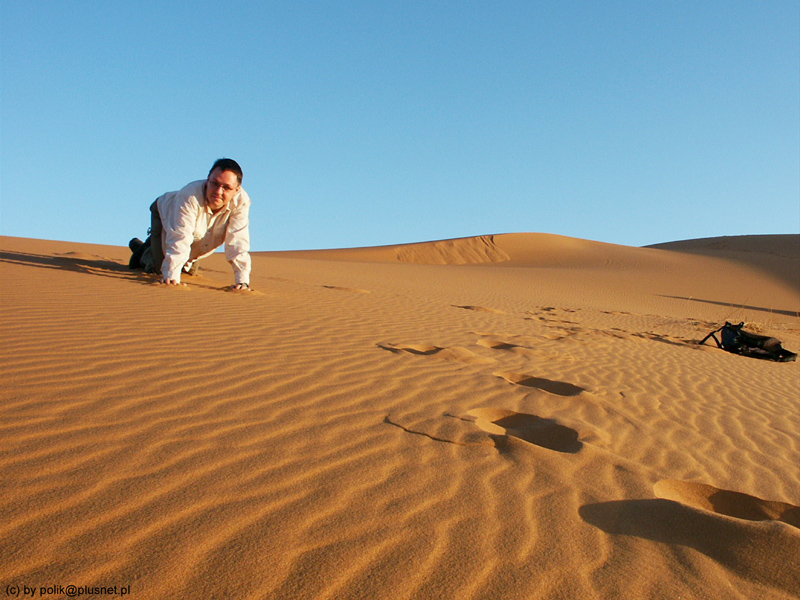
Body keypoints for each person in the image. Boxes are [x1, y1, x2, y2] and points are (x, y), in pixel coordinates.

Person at [129, 158, 251, 290]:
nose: (218, 191)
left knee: (188, 271)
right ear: (208, 179)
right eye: (214, 183)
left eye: (226, 187)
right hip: (166, 213)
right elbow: (181, 236)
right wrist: (172, 276)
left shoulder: (242, 203)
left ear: (237, 190)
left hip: (198, 232)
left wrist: (242, 281)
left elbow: (238, 240)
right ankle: (143, 251)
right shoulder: (189, 196)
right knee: (160, 269)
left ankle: (154, 245)